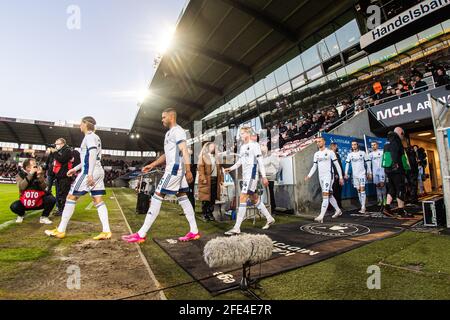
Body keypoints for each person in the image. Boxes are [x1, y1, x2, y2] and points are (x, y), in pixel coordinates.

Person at [122, 108, 200, 243]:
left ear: (171, 117)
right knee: (183, 197)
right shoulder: (169, 133)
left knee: (157, 196)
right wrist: (153, 164)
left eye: (164, 117)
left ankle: (141, 234)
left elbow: (185, 150)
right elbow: (166, 155)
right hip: (175, 169)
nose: (162, 120)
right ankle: (194, 231)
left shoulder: (178, 131)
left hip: (174, 170)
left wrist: (188, 170)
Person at [44, 116, 112, 240]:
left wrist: (89, 173)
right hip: (98, 170)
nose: (79, 125)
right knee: (98, 200)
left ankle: (61, 230)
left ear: (85, 124)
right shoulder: (96, 137)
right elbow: (90, 158)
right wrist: (75, 169)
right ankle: (106, 231)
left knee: (70, 197)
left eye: (80, 123)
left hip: (89, 172)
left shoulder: (89, 137)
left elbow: (91, 155)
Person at [223, 127, 275, 236]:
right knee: (254, 198)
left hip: (252, 176)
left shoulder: (254, 145)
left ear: (248, 133)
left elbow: (260, 161)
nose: (241, 135)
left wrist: (264, 176)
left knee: (242, 197)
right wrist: (231, 168)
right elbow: (240, 161)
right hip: (246, 176)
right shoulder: (242, 147)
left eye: (242, 133)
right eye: (240, 133)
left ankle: (237, 227)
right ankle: (269, 218)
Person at [305, 137, 344, 223]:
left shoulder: (330, 152)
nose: (318, 143)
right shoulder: (316, 154)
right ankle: (338, 210)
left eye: (319, 141)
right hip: (321, 177)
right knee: (329, 195)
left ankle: (321, 216)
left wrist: (341, 177)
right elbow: (314, 166)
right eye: (317, 142)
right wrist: (309, 175)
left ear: (324, 142)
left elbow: (337, 165)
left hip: (329, 176)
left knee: (325, 195)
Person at [10, 158, 55, 224]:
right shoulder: (19, 175)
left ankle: (44, 217)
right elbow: (22, 187)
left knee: (51, 199)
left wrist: (40, 176)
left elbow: (44, 187)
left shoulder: (38, 174)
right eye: (34, 164)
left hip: (39, 201)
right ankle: (21, 214)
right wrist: (31, 174)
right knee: (14, 206)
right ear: (27, 168)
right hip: (26, 201)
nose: (36, 166)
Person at [382, 127, 413, 218]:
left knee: (392, 189)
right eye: (403, 134)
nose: (403, 137)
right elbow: (395, 153)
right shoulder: (396, 140)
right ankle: (401, 210)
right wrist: (397, 164)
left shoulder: (387, 141)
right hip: (396, 169)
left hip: (388, 169)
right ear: (400, 133)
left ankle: (386, 208)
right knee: (401, 188)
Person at [48, 138, 74, 216]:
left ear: (62, 143)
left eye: (57, 144)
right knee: (59, 195)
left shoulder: (67, 150)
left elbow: (62, 159)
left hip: (65, 177)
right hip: (59, 177)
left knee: (64, 195)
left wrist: (55, 152)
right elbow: (53, 162)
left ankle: (64, 211)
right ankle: (60, 210)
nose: (56, 145)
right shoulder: (59, 151)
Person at [198, 142, 223, 221]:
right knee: (206, 198)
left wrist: (221, 179)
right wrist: (203, 178)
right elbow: (200, 168)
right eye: (212, 146)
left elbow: (219, 170)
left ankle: (210, 213)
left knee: (212, 198)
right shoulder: (203, 156)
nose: (214, 147)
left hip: (215, 179)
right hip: (206, 180)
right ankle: (204, 214)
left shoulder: (216, 157)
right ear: (208, 147)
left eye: (214, 146)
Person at [344, 140, 372, 214]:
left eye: (355, 144)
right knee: (359, 190)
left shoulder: (362, 153)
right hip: (355, 175)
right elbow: (347, 164)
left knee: (362, 190)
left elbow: (368, 163)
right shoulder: (350, 154)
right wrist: (346, 173)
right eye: (352, 145)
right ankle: (361, 205)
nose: (353, 146)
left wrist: (369, 172)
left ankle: (363, 207)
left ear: (357, 145)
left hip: (362, 174)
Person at [261, 144, 280, 214]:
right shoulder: (261, 157)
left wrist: (274, 174)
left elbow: (277, 165)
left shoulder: (271, 156)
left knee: (270, 192)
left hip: (270, 177)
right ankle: (267, 208)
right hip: (263, 177)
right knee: (265, 193)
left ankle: (272, 208)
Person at [368, 141, 386, 206]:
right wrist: (369, 172)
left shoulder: (382, 152)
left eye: (374, 145)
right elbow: (368, 164)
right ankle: (380, 200)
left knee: (382, 185)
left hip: (382, 171)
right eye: (372, 145)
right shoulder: (370, 154)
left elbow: (385, 161)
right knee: (377, 186)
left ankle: (384, 200)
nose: (373, 146)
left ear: (377, 145)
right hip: (375, 172)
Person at [329, 142, 344, 208]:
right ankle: (331, 207)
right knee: (332, 192)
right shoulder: (329, 155)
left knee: (339, 191)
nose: (336, 148)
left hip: (339, 176)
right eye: (335, 147)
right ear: (332, 147)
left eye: (336, 147)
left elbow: (339, 165)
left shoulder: (337, 155)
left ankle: (339, 205)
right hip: (332, 176)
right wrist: (335, 174)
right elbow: (331, 166)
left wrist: (342, 175)